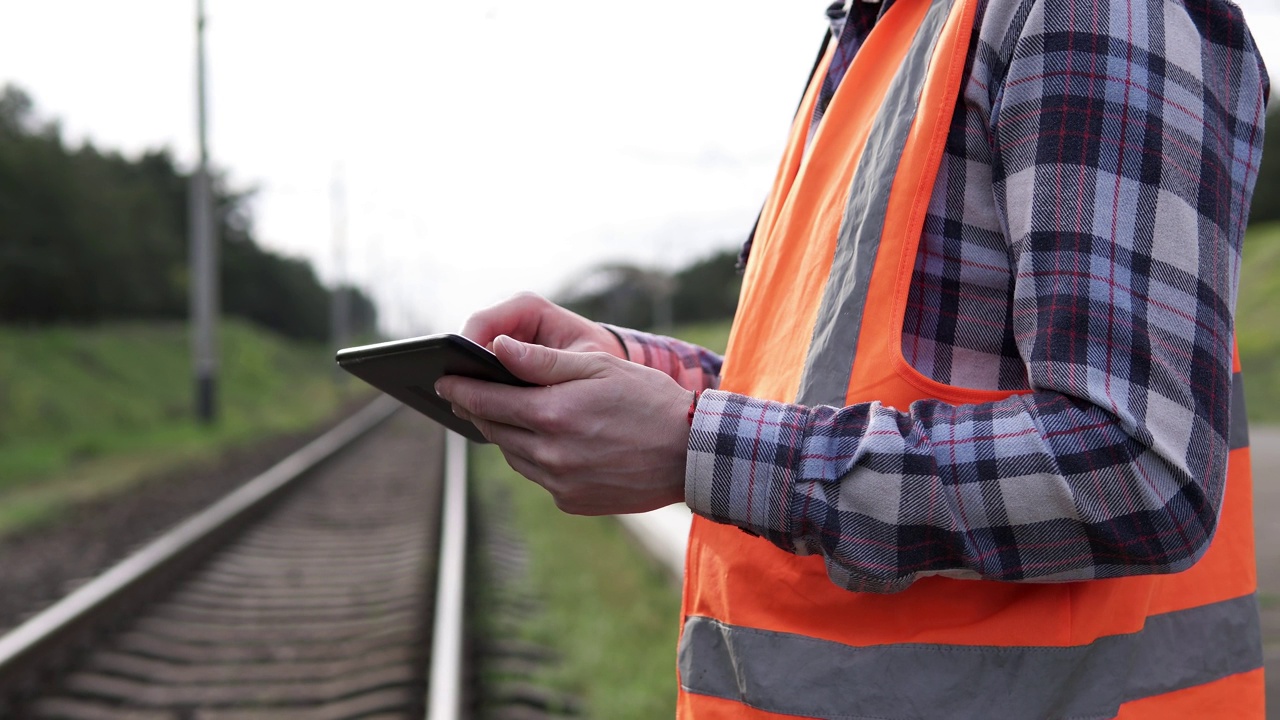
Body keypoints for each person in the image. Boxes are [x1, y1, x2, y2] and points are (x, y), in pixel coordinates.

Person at [435, 0, 1270, 716]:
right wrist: (647, 376)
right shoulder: (872, 33)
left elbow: (1136, 465)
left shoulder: (1093, 11)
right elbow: (829, 388)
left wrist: (695, 443)